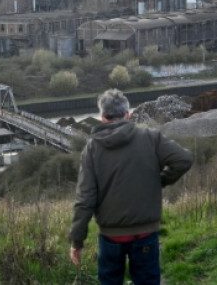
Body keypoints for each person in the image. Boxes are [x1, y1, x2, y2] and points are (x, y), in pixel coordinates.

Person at [69, 88, 194, 285]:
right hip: (145, 233)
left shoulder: (92, 149)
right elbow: (184, 160)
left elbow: (85, 199)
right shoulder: (150, 137)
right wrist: (160, 180)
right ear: (127, 115)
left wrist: (77, 241)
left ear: (102, 117)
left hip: (111, 236)